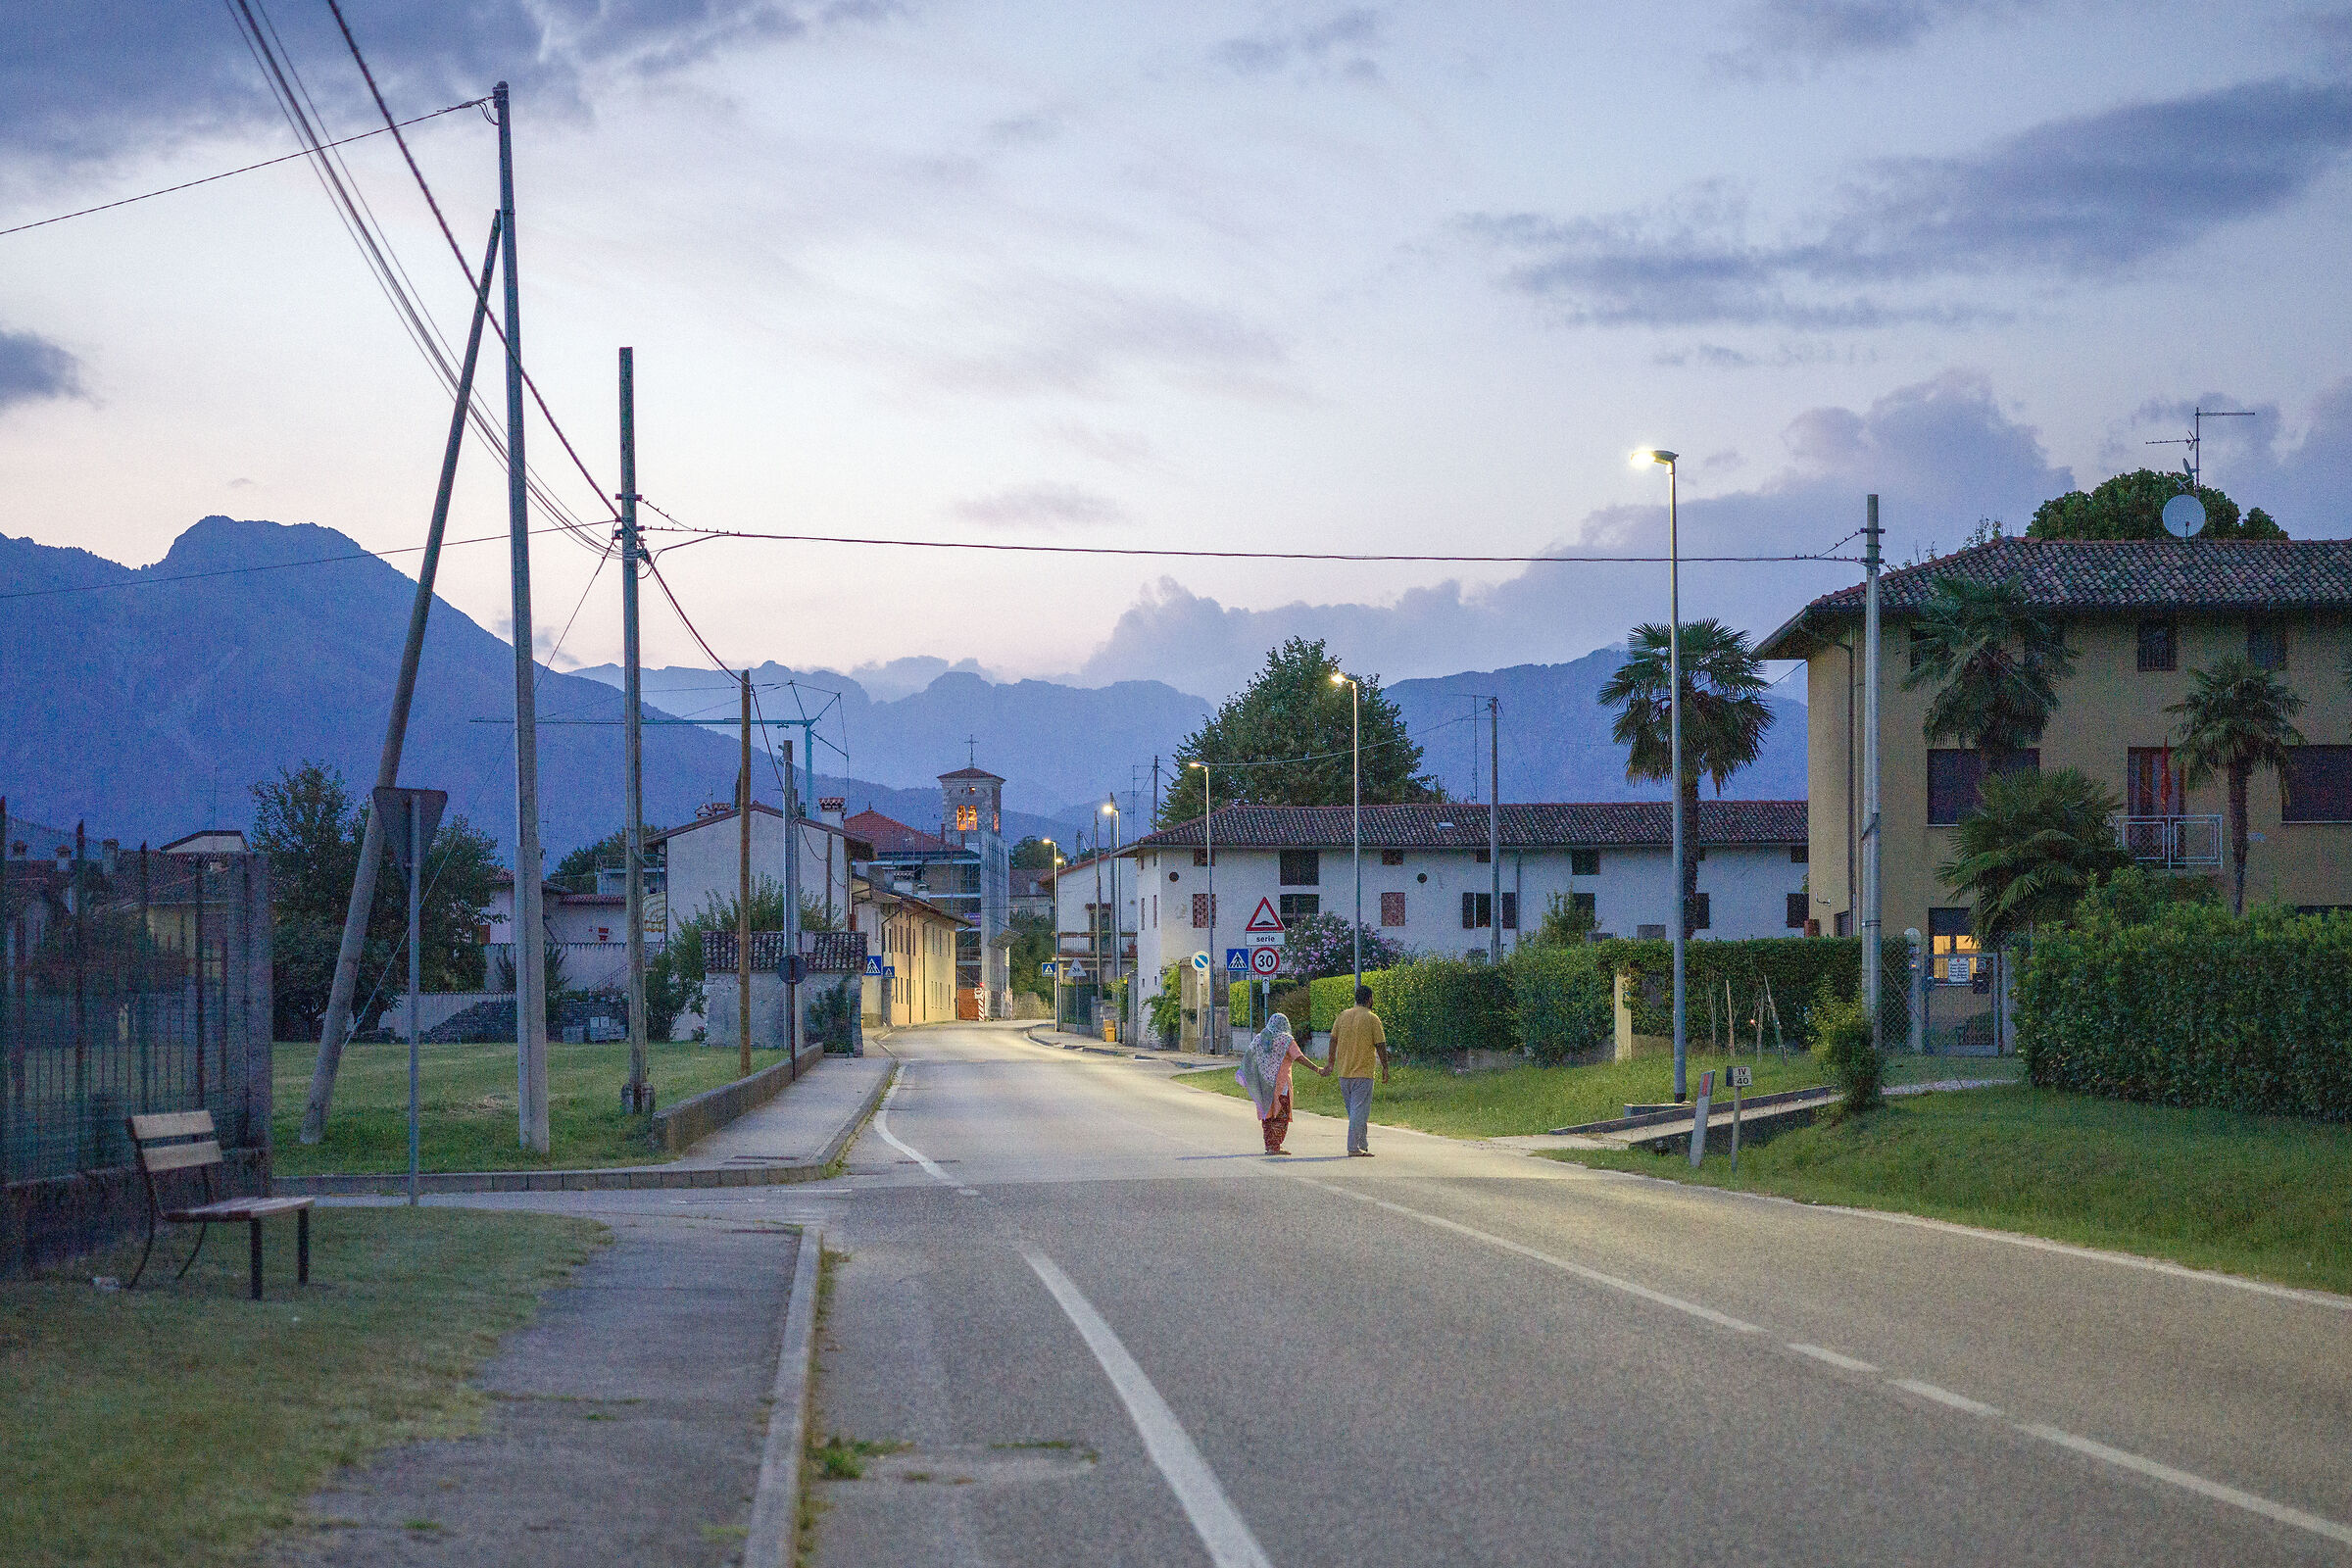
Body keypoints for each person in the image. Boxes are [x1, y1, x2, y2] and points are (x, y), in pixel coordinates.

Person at [1237, 1010, 1322, 1154]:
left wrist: (1250, 1077)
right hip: (1281, 1084)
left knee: (1267, 1113)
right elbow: (1299, 1057)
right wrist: (1317, 1069)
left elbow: (1249, 1058)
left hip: (1264, 1084)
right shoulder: (1286, 1040)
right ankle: (1275, 1146)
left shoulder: (1260, 1038)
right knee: (1281, 1113)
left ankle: (1269, 1145)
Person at [1328, 984, 1389, 1156]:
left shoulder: (1342, 1016)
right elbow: (1381, 1045)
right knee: (1359, 1112)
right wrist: (1385, 1067)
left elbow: (1332, 1040)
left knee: (1355, 1112)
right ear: (1369, 999)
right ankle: (1353, 1147)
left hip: (1344, 1073)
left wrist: (1330, 1063)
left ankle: (1363, 1143)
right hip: (1363, 1073)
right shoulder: (1372, 1018)